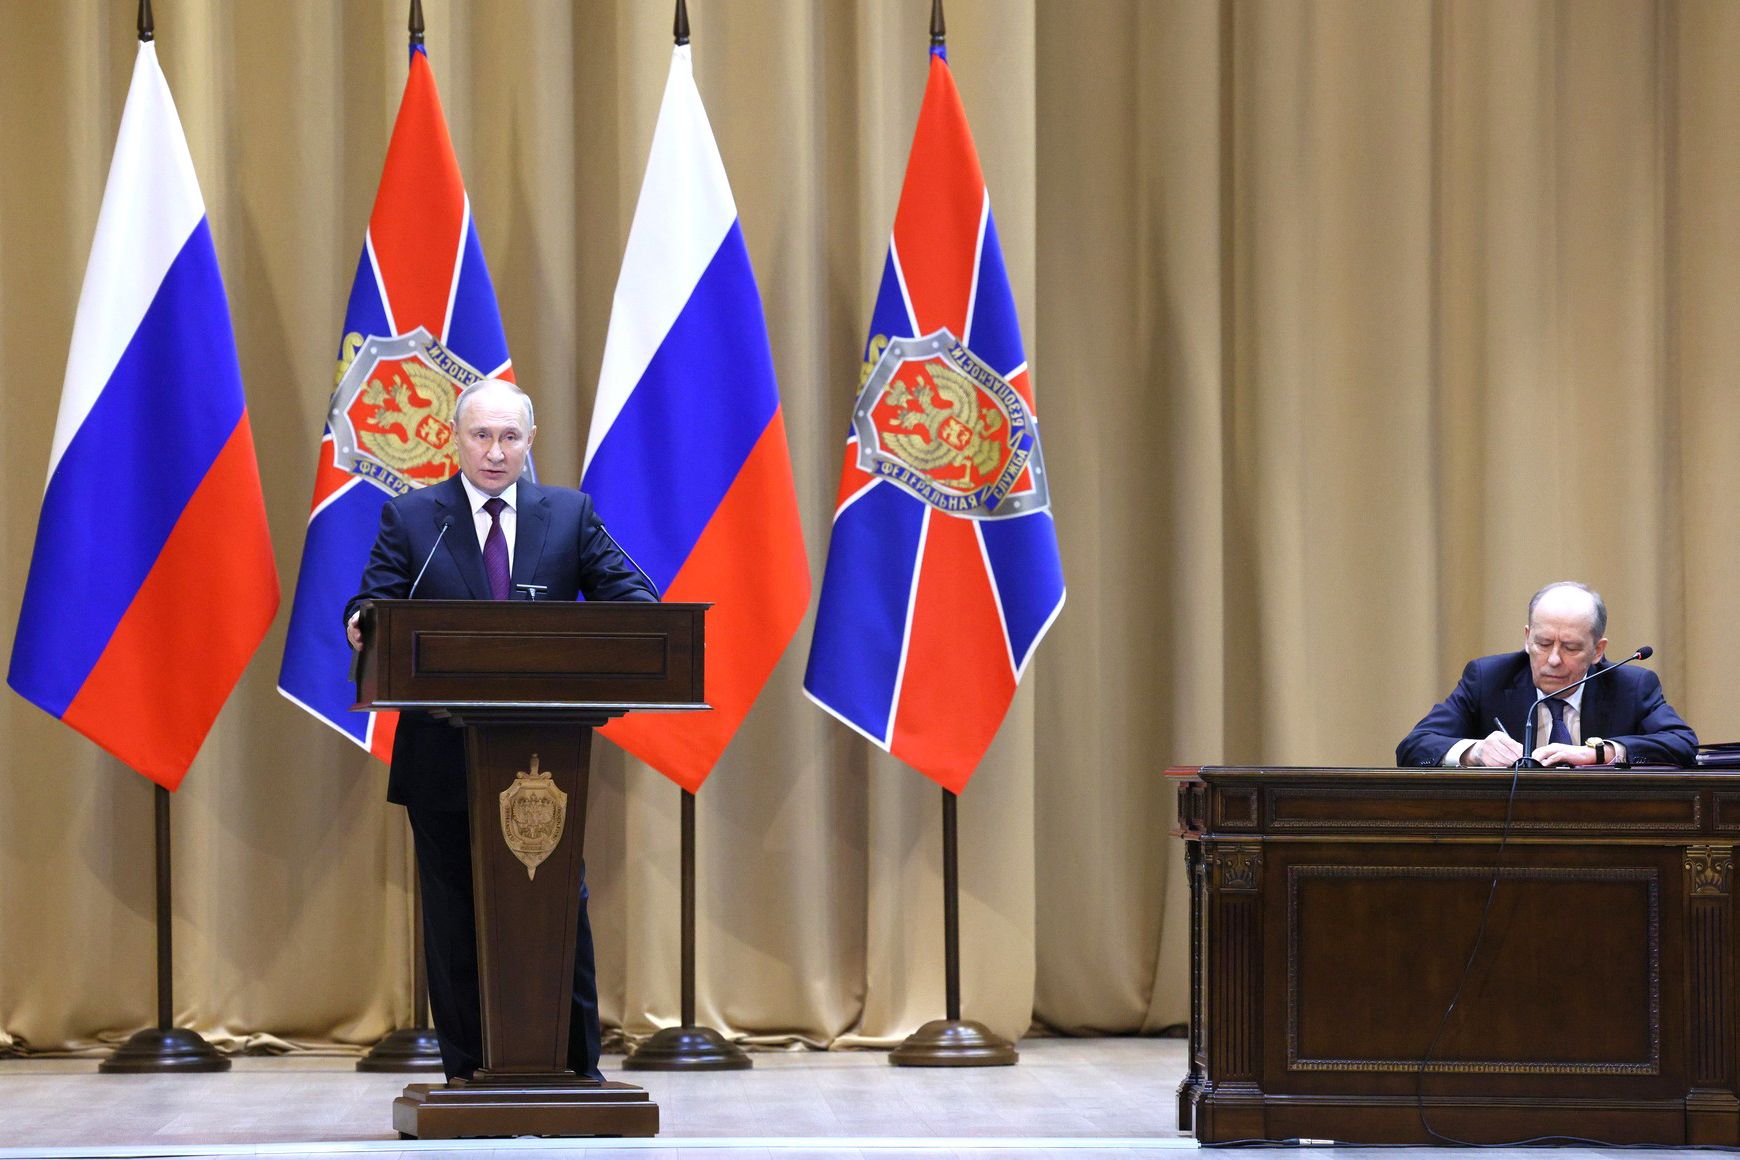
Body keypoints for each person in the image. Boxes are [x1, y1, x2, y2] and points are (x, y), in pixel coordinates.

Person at [345, 377, 656, 1082]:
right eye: (481, 435)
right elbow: (374, 598)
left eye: (510, 437)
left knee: (558, 918)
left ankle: (576, 1071)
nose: (495, 451)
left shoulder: (568, 514)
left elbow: (631, 597)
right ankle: (467, 1071)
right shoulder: (414, 516)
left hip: (543, 758)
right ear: (455, 440)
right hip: (442, 756)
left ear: (530, 443)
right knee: (455, 919)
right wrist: (361, 622)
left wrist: (636, 623)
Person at [1396, 580, 1696, 769]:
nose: (1553, 660)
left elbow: (1683, 744)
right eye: (1542, 643)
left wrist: (1602, 753)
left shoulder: (1631, 686)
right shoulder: (1488, 678)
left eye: (1570, 647)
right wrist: (1474, 751)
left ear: (1598, 651)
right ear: (1527, 638)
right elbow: (1414, 747)